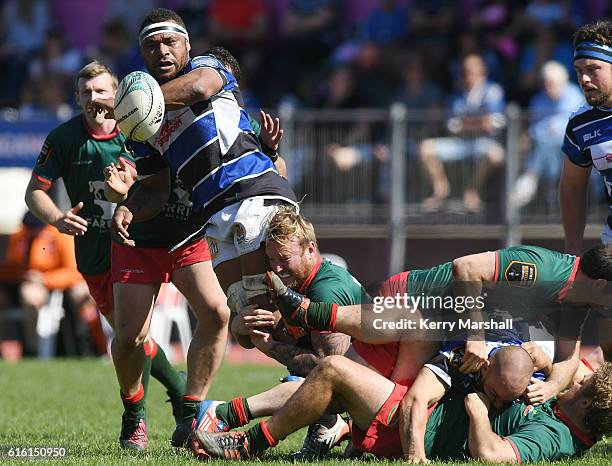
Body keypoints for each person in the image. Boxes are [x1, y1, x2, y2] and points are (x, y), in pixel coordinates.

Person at [88, 8, 297, 447]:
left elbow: (200, 89)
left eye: (169, 42)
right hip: (215, 222)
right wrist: (127, 205)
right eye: (151, 45)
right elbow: (157, 191)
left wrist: (134, 104)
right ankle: (313, 390)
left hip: (254, 200)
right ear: (140, 54)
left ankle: (326, 396)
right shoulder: (142, 126)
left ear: (186, 45)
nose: (161, 50)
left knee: (283, 315)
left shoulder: (207, 68)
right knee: (252, 326)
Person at [23, 61, 188, 450]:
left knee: (135, 335)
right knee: (134, 337)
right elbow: (34, 192)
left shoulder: (139, 132)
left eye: (101, 90)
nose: (93, 98)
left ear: (117, 95)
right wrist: (57, 218)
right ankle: (180, 391)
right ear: (77, 98)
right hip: (94, 252)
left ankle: (138, 418)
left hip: (135, 245)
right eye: (85, 92)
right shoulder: (64, 139)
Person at [267, 244, 612, 404]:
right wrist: (476, 337)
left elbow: (568, 357)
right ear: (601, 284)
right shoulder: (545, 271)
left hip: (439, 319)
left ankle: (305, 322)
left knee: (355, 389)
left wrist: (551, 388)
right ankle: (309, 315)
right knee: (358, 384)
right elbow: (466, 268)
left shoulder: (578, 301)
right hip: (416, 294)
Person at [192, 355, 612, 462]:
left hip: (414, 426)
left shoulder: (555, 436)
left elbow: (492, 454)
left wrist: (478, 407)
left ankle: (249, 444)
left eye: (587, 382)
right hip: (422, 410)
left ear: (590, 401)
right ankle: (225, 415)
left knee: (335, 370)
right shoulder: (564, 412)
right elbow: (569, 363)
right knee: (323, 385)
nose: (581, 377)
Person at [200, 209, 362, 459]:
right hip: (357, 390)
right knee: (302, 376)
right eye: (271, 259)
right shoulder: (291, 280)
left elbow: (330, 371)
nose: (276, 267)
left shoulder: (327, 291)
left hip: (380, 397)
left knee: (308, 380)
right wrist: (239, 328)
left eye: (284, 259)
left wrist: (270, 348)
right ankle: (330, 425)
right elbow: (267, 332)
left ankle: (226, 415)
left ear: (310, 249)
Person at [418, 53, 505, 213]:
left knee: (495, 154)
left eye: (471, 71)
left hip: (483, 142)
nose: (467, 75)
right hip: (460, 142)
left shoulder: (493, 91)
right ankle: (440, 190)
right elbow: (452, 126)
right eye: (464, 71)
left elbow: (493, 124)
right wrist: (478, 122)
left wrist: (466, 123)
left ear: (482, 72)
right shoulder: (458, 93)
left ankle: (472, 191)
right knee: (425, 148)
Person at [0, 211, 88, 357]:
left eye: (34, 229)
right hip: (17, 282)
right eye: (28, 229)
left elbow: (73, 273)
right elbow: (12, 265)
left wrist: (44, 279)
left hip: (47, 286)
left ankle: (32, 349)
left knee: (30, 297)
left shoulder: (58, 236)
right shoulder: (19, 236)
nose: (31, 232)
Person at [560, 20, 612, 256]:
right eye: (579, 71)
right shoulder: (580, 124)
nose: (584, 79)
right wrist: (573, 251)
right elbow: (572, 186)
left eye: (592, 69)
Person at [513, 61, 584, 208]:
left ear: (563, 82)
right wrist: (547, 130)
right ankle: (552, 189)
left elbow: (573, 126)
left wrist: (550, 129)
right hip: (546, 145)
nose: (548, 88)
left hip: (572, 145)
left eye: (552, 84)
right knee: (545, 144)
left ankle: (530, 178)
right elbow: (535, 127)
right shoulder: (539, 99)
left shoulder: (574, 95)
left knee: (545, 143)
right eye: (545, 83)